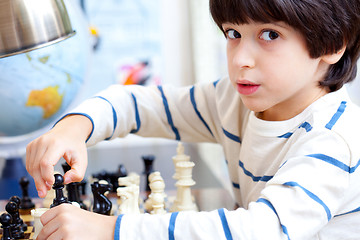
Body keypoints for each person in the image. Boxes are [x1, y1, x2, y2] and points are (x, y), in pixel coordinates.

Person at [26, 0, 360, 239]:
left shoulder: (333, 140)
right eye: (233, 33)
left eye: (270, 35)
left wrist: (111, 229)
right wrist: (76, 125)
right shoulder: (232, 101)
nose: (240, 59)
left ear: (333, 43)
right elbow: (143, 104)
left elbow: (260, 231)